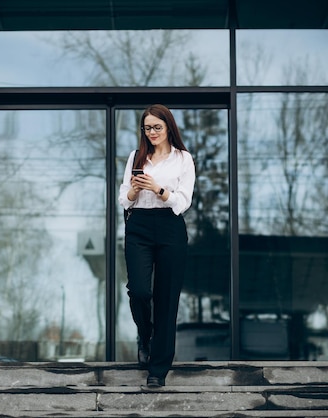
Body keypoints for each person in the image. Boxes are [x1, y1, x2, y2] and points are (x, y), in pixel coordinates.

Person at [118, 104, 196, 388]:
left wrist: (158, 189)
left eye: (156, 127)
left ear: (168, 128)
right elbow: (123, 200)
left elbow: (183, 202)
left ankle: (157, 371)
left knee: (166, 299)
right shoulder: (136, 157)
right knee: (139, 291)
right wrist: (135, 189)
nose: (151, 132)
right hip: (138, 225)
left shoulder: (183, 159)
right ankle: (145, 334)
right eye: (147, 128)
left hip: (170, 227)